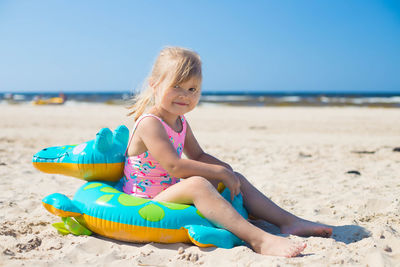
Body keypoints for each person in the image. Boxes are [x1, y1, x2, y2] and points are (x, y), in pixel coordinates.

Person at [124, 47, 332, 257]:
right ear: (154, 84)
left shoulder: (180, 121)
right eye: (176, 86)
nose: (184, 95)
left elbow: (197, 156)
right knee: (199, 184)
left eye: (192, 89)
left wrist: (226, 170)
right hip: (145, 199)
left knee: (235, 176)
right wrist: (219, 173)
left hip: (168, 191)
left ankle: (289, 222)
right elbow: (174, 166)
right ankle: (259, 240)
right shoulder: (150, 123)